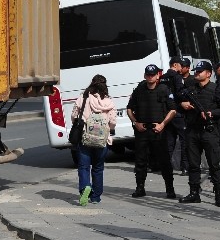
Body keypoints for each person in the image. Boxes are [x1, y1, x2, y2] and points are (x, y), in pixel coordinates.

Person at [179, 60, 220, 206]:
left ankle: (219, 196)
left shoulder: (216, 89)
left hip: (209, 130)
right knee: (193, 164)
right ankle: (194, 193)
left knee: (214, 164)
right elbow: (178, 102)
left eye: (200, 71)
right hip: (192, 130)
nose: (197, 73)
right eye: (196, 71)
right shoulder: (190, 88)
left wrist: (211, 113)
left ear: (208, 74)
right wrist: (183, 104)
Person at [126, 64, 178, 199]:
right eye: (148, 75)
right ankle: (140, 188)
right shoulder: (139, 89)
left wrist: (163, 124)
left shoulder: (164, 89)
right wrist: (135, 122)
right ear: (145, 75)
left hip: (158, 131)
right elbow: (129, 109)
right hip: (142, 131)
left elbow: (172, 110)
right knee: (140, 161)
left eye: (152, 75)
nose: (150, 77)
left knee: (164, 161)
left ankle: (170, 189)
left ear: (157, 76)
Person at [71, 74, 117, 206]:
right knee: (98, 168)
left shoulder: (84, 97)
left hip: (85, 138)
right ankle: (96, 197)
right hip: (102, 140)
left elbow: (74, 115)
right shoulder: (109, 101)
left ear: (92, 84)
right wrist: (110, 129)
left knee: (84, 167)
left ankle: (85, 186)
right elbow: (113, 121)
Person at [161, 57, 189, 175]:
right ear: (175, 65)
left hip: (166, 114)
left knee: (169, 142)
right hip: (178, 113)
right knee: (184, 141)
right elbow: (180, 92)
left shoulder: (162, 78)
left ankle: (166, 167)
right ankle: (185, 167)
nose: (181, 68)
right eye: (180, 65)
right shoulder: (177, 77)